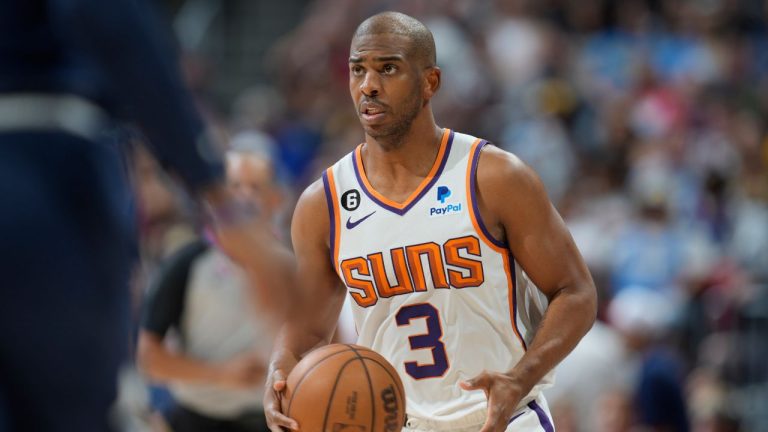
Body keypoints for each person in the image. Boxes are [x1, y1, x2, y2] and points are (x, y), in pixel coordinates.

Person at [264, 11, 597, 432]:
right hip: (405, 424)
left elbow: (576, 292)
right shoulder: (323, 204)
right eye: (357, 70)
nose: (368, 85)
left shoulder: (493, 176)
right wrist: (279, 369)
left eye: (388, 68)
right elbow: (308, 327)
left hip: (506, 420)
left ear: (430, 82)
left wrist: (520, 378)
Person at [0, 1, 294, 431]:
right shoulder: (192, 262)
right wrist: (212, 188)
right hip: (44, 162)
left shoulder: (295, 259)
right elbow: (111, 22)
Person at [137, 136, 285, 432]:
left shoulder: (293, 267)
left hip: (271, 421)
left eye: (255, 187)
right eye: (235, 187)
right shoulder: (188, 263)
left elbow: (330, 345)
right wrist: (220, 374)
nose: (244, 198)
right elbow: (148, 359)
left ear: (276, 197)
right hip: (197, 419)